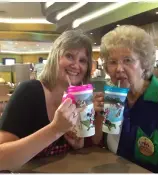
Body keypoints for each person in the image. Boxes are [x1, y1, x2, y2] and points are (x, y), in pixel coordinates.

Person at [92, 25, 158, 173]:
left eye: (128, 60)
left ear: (144, 64)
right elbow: (104, 147)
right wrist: (95, 117)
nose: (119, 68)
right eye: (112, 62)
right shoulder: (113, 98)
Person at [0, 29, 93, 171]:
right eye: (69, 56)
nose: (76, 65)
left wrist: (77, 144)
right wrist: (55, 129)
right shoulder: (29, 92)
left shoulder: (80, 101)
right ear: (55, 57)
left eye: (82, 60)